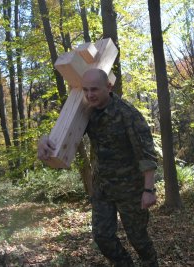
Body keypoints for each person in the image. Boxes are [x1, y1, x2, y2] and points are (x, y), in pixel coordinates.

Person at [38, 68, 159, 267]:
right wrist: (43, 141)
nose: (89, 95)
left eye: (94, 89)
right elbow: (63, 134)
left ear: (108, 87)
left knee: (138, 238)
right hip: (102, 188)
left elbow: (146, 155)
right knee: (102, 237)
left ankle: (150, 263)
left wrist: (149, 189)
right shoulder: (87, 112)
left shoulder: (127, 114)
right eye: (85, 90)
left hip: (131, 190)